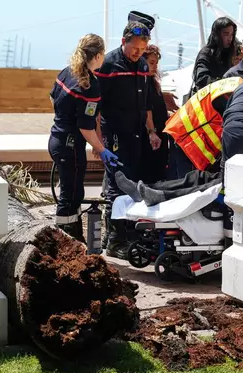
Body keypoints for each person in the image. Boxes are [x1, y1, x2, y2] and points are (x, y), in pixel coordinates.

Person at [95, 18, 161, 259]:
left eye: (142, 50)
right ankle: (114, 240)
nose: (138, 53)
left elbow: (145, 106)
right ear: (123, 42)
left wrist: (151, 132)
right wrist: (98, 143)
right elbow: (96, 105)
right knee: (117, 185)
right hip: (114, 135)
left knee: (132, 183)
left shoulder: (143, 66)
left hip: (136, 135)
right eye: (135, 48)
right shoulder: (109, 65)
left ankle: (123, 233)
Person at [48, 34, 117, 242]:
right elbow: (85, 127)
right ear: (97, 56)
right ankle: (65, 243)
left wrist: (64, 119)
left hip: (56, 139)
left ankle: (74, 240)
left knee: (73, 192)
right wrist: (102, 149)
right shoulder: (89, 85)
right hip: (71, 146)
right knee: (70, 197)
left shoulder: (67, 72)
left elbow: (52, 98)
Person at [165, 76, 243, 178]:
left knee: (175, 179)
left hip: (180, 127)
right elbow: (232, 131)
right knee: (185, 183)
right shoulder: (235, 97)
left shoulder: (236, 84)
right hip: (186, 137)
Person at [140, 44, 170, 184]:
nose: (154, 67)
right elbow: (147, 109)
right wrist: (152, 132)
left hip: (160, 131)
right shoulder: (142, 83)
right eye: (151, 63)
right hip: (152, 134)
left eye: (156, 63)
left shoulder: (152, 82)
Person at [190, 17, 237, 94]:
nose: (230, 38)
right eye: (226, 34)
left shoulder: (228, 54)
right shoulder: (206, 53)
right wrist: (223, 84)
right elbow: (201, 78)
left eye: (232, 34)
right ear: (217, 35)